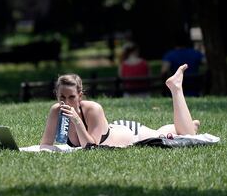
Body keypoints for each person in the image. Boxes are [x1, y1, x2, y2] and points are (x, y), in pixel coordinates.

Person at [40, 63, 200, 148]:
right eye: (62, 97)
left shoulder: (92, 109)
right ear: (56, 95)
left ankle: (175, 88)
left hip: (134, 133)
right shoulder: (56, 110)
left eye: (71, 97)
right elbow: (45, 145)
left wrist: (76, 120)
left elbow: (90, 147)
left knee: (187, 135)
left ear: (80, 96)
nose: (66, 102)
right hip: (114, 129)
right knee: (185, 130)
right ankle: (191, 124)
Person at [161, 31, 204, 95]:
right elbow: (206, 64)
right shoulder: (195, 53)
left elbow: (163, 71)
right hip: (194, 89)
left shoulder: (170, 55)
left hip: (176, 90)